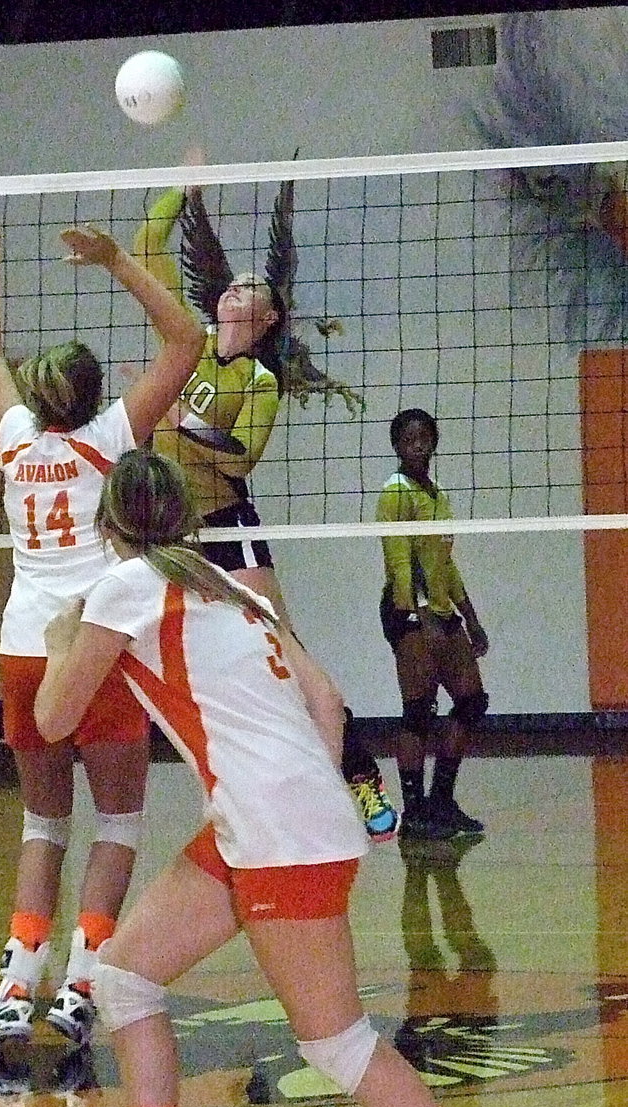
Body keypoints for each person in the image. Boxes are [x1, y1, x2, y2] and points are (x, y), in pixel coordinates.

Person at [33, 447, 513, 1107]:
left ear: (109, 523)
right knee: (124, 977)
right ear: (186, 517)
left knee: (333, 1041)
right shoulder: (230, 586)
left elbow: (52, 717)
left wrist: (62, 644)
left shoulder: (124, 588)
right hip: (268, 820)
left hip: (278, 833)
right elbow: (327, 700)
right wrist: (300, 793)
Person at [0, 200, 205, 1043]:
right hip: (96, 652)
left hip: (24, 646)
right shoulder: (114, 435)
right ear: (92, 395)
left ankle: (18, 986)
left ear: (40, 396)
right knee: (118, 821)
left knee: (42, 823)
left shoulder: (18, 440)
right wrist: (119, 263)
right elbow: (186, 342)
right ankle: (84, 983)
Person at [133, 174, 398, 843]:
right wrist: (181, 192)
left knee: (283, 651)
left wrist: (173, 416)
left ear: (271, 318)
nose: (237, 286)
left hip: (228, 526)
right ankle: (245, 796)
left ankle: (360, 777)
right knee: (208, 665)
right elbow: (144, 248)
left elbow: (238, 456)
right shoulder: (184, 345)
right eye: (234, 281)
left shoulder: (259, 380)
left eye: (253, 285)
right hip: (172, 537)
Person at [377, 408, 490, 841]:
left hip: (444, 611)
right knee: (418, 712)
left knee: (471, 703)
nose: (418, 445)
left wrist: (472, 619)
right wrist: (419, 615)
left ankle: (442, 802)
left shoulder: (438, 494)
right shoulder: (396, 492)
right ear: (397, 446)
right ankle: (416, 812)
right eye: (409, 439)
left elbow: (445, 563)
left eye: (425, 438)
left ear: (434, 442)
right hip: (407, 612)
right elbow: (398, 558)